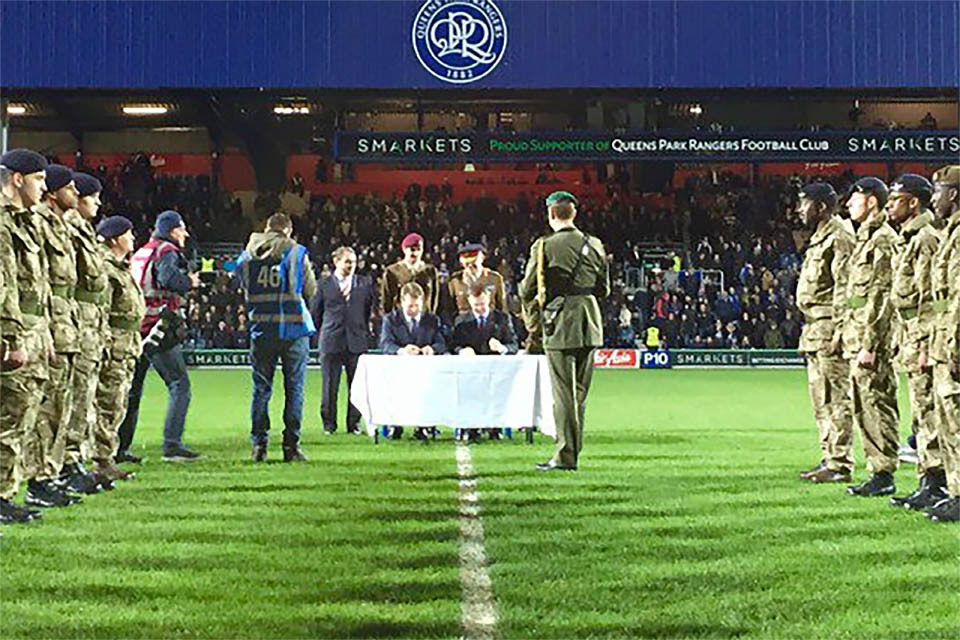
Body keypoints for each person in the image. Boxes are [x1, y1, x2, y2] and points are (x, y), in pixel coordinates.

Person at [519, 191, 610, 471]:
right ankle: (572, 451)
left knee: (563, 394)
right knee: (579, 394)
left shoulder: (544, 245)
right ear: (574, 213)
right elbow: (604, 288)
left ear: (550, 214)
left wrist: (534, 319)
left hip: (559, 323)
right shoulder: (594, 244)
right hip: (590, 321)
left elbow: (527, 288)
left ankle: (565, 456)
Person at [120, 210, 202, 462]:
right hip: (157, 327)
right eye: (181, 229)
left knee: (132, 391)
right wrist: (189, 281)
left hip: (136, 326)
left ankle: (118, 448)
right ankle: (172, 445)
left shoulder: (142, 251)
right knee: (180, 384)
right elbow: (168, 278)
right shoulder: (166, 250)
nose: (185, 234)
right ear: (172, 230)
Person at [885, 175, 946, 510]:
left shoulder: (925, 238)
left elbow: (930, 298)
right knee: (921, 412)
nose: (889, 206)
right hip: (910, 332)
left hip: (922, 334)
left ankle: (936, 482)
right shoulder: (908, 237)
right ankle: (928, 480)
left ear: (913, 202)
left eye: (896, 200)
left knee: (929, 410)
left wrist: (924, 344)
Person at [236, 213, 317, 462]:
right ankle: (291, 447)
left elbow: (241, 283)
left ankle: (259, 446)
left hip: (261, 329)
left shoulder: (247, 254)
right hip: (293, 330)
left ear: (266, 228)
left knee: (261, 390)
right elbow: (311, 289)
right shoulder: (296, 252)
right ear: (288, 231)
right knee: (295, 389)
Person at [30, 165, 85, 505]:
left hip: (67, 326)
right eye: (70, 188)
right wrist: (45, 328)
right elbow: (41, 282)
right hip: (48, 326)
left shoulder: (62, 226)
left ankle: (51, 473)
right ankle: (39, 479)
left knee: (61, 406)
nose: (76, 194)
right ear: (53, 193)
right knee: (44, 408)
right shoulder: (39, 223)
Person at [794, 182, 856, 484]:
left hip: (830, 327)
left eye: (804, 204)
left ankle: (840, 463)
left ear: (820, 207)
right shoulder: (820, 236)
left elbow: (846, 287)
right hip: (814, 328)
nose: (799, 210)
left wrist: (841, 330)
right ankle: (829, 457)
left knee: (836, 398)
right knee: (821, 400)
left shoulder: (840, 236)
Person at [842, 177, 900, 497]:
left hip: (871, 341)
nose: (849, 204)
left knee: (877, 403)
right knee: (863, 404)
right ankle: (877, 470)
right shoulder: (865, 238)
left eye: (855, 198)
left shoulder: (882, 240)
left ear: (872, 202)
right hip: (857, 336)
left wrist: (870, 344)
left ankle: (884, 473)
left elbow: (882, 296)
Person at [0, 149, 47, 522]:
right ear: (17, 179)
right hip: (13, 333)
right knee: (10, 416)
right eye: (39, 179)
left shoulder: (23, 222)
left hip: (31, 329)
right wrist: (11, 339)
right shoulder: (3, 223)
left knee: (23, 415)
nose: (43, 187)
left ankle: (5, 493)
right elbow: (4, 286)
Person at [61, 172, 111, 492]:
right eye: (93, 197)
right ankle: (65, 466)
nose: (98, 203)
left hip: (87, 325)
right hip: (74, 323)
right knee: (72, 398)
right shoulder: (68, 228)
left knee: (83, 398)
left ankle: (73, 462)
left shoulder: (83, 230)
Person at [92, 216, 145, 483]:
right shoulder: (106, 267)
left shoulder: (121, 267)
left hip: (125, 345)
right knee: (107, 404)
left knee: (117, 404)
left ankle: (107, 459)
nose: (132, 238)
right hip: (114, 345)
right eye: (128, 233)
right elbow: (100, 311)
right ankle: (101, 462)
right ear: (114, 239)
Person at [926, 165, 960, 522]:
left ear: (954, 194)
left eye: (938, 191)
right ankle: (954, 492)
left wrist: (954, 347)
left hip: (953, 341)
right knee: (947, 419)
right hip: (941, 337)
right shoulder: (949, 232)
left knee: (956, 419)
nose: (933, 198)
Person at [312, 246, 374, 435]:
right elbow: (316, 313)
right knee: (329, 386)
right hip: (331, 341)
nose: (351, 265)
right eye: (347, 261)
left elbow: (367, 312)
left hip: (356, 341)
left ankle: (354, 424)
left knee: (356, 387)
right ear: (336, 261)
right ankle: (329, 424)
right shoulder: (323, 284)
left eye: (353, 262)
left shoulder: (364, 284)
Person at [451, 283, 519, 442]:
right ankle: (471, 428)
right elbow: (453, 345)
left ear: (488, 300)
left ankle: (495, 427)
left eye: (482, 304)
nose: (479, 308)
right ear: (469, 302)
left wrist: (502, 348)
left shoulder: (502, 319)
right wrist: (462, 350)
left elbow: (514, 345)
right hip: (470, 373)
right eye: (476, 305)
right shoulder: (461, 321)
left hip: (496, 373)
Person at [379, 282, 447, 440]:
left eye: (417, 306)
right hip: (398, 371)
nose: (414, 309)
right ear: (402, 302)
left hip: (425, 372)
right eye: (410, 306)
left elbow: (441, 343)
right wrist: (402, 351)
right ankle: (395, 425)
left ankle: (424, 426)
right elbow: (385, 343)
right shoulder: (391, 319)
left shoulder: (432, 319)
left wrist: (432, 349)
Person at [380, 232, 440, 315]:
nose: (415, 253)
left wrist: (431, 315)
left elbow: (434, 297)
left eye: (418, 249)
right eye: (412, 250)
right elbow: (386, 299)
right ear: (404, 250)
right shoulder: (392, 272)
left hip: (423, 317)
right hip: (400, 318)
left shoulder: (430, 271)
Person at [445, 242, 507, 321]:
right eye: (467, 264)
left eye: (474, 263)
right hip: (463, 323)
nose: (470, 266)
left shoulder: (495, 278)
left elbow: (502, 305)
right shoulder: (455, 280)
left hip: (489, 322)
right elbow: (449, 307)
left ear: (482, 258)